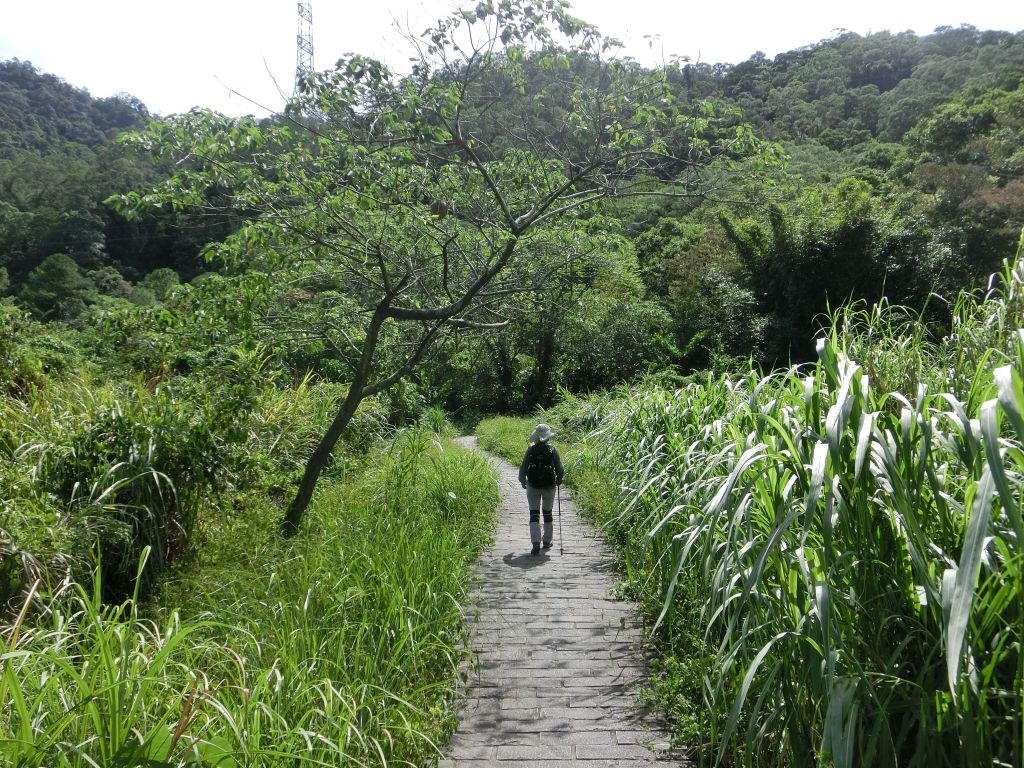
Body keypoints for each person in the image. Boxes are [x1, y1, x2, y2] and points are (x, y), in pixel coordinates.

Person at [518, 423, 564, 555]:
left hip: (533, 486)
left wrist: (522, 480)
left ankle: (536, 542)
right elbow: (559, 469)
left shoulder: (531, 450)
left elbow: (523, 467)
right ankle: (547, 540)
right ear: (548, 436)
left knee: (534, 514)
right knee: (547, 512)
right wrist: (559, 480)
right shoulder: (553, 450)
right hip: (549, 487)